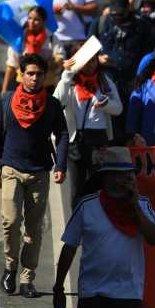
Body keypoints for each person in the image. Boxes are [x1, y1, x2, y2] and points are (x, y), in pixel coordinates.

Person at [52, 147, 155, 308]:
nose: (128, 180)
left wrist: (134, 207)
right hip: (93, 297)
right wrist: (59, 287)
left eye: (130, 175)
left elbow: (154, 238)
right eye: (122, 175)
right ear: (108, 176)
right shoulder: (87, 206)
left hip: (129, 296)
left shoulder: (142, 204)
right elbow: (69, 247)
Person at [0, 53, 69, 299]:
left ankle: (27, 278)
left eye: (39, 74)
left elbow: (62, 135)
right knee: (10, 222)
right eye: (30, 73)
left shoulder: (51, 105)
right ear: (21, 74)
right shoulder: (6, 101)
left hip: (39, 172)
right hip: (11, 169)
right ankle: (9, 268)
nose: (34, 78)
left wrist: (60, 165)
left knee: (34, 228)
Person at [54, 42, 121, 198]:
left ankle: (97, 220)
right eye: (86, 60)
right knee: (77, 189)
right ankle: (78, 220)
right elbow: (58, 102)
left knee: (98, 186)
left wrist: (107, 105)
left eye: (93, 60)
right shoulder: (69, 81)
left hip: (98, 138)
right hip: (76, 139)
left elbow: (118, 109)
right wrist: (66, 75)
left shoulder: (105, 81)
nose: (90, 65)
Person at [95, 0, 155, 114]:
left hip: (132, 83)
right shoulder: (100, 23)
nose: (117, 17)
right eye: (114, 14)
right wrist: (98, 59)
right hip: (107, 83)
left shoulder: (141, 26)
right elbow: (86, 52)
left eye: (120, 14)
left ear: (128, 8)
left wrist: (141, 79)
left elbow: (150, 55)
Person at [2, 5, 56, 93]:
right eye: (30, 18)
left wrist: (51, 63)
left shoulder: (51, 38)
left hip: (46, 87)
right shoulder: (19, 39)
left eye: (36, 20)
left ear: (44, 21)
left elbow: (59, 59)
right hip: (23, 87)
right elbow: (11, 66)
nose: (32, 22)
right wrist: (4, 90)